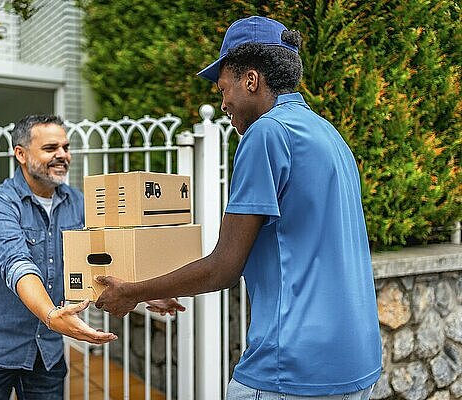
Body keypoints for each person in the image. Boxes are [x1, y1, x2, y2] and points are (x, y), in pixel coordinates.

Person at [95, 16, 382, 400]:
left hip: (291, 369)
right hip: (356, 364)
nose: (224, 103)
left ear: (251, 80)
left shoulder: (267, 133)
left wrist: (132, 291)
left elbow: (224, 267)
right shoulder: (328, 135)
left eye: (223, 89)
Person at [0, 115, 117, 399]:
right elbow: (17, 263)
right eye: (50, 148)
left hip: (47, 348)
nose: (62, 155)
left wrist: (146, 292)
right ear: (20, 154)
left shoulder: (78, 202)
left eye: (66, 147)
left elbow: (105, 255)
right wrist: (51, 315)